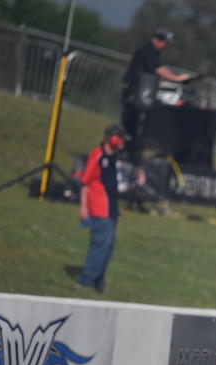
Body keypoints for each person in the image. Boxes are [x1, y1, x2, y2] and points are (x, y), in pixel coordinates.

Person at [121, 28, 191, 162]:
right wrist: (177, 78)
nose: (165, 46)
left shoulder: (154, 53)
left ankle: (133, 154)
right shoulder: (148, 51)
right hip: (134, 95)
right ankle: (126, 154)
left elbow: (157, 71)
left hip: (141, 96)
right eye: (165, 42)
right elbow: (159, 70)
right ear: (158, 40)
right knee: (130, 126)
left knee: (137, 129)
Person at [76, 125, 127, 293]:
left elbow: (112, 187)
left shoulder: (113, 158)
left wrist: (116, 211)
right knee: (100, 243)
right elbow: (85, 182)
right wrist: (84, 207)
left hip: (110, 209)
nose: (122, 141)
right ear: (112, 137)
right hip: (99, 207)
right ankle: (87, 279)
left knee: (109, 245)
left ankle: (98, 280)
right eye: (120, 137)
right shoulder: (98, 155)